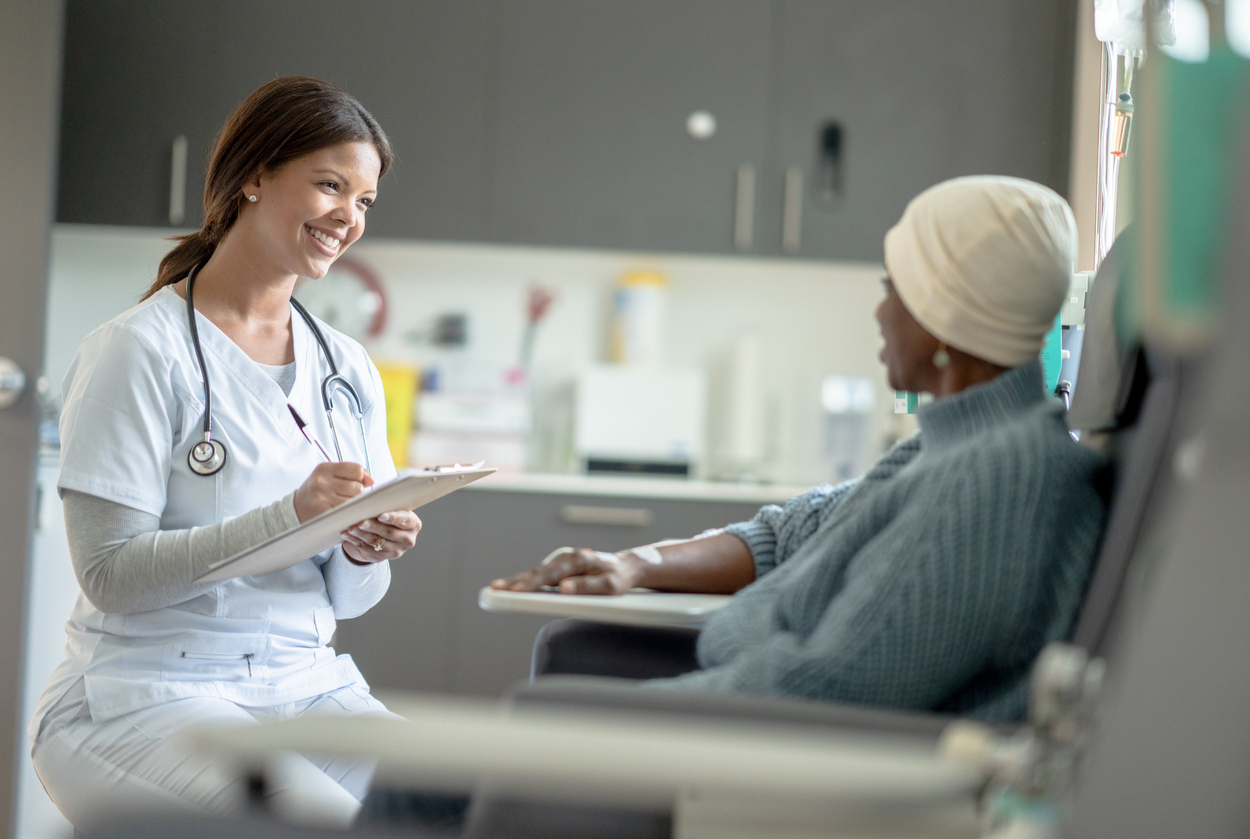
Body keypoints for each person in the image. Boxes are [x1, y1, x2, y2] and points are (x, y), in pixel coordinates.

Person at [493, 176, 1109, 723]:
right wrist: (637, 563)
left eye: (892, 289)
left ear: (941, 318)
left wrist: (615, 733)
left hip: (809, 756)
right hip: (762, 690)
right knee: (568, 654)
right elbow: (796, 532)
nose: (879, 312)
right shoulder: (952, 446)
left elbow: (822, 690)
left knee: (501, 745)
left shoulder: (998, 480)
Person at [30, 77, 420, 828]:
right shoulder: (139, 350)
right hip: (142, 694)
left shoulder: (345, 368)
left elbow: (351, 601)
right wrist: (293, 515)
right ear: (254, 175)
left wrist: (367, 548)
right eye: (331, 185)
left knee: (458, 805)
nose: (349, 216)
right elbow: (110, 576)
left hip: (302, 684)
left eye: (364, 199)